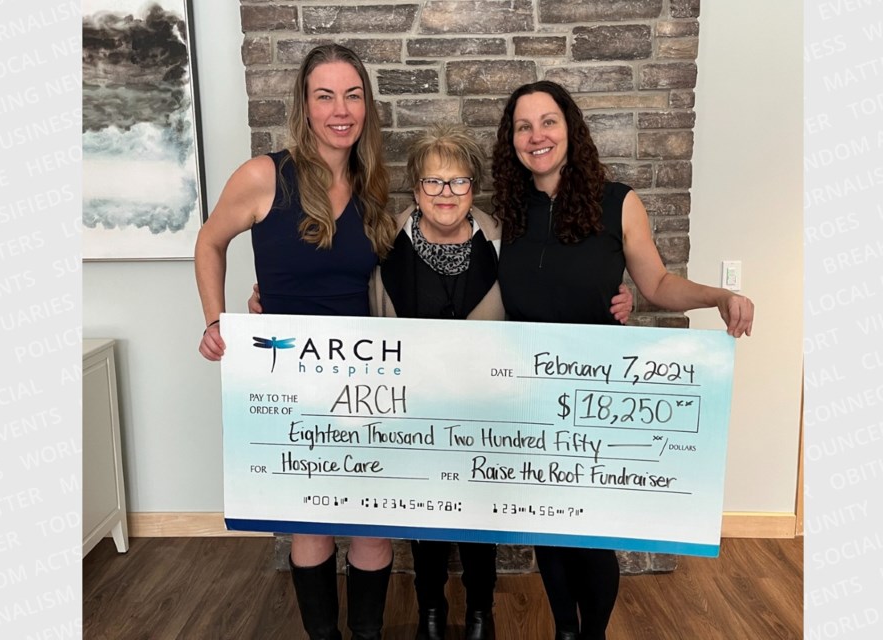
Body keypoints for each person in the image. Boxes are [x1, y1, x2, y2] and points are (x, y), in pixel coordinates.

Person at [248, 122, 635, 640]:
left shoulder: (505, 241)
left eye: (458, 182)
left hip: (486, 410)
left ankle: (481, 612)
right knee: (420, 516)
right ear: (416, 189)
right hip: (411, 411)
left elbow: (553, 287)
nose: (446, 194)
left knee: (478, 516)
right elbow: (336, 292)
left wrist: (617, 295)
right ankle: (430, 611)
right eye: (433, 182)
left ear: (473, 187)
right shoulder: (382, 242)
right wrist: (268, 300)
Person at [490, 80, 754, 640]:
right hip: (529, 395)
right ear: (510, 139)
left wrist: (719, 296)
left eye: (549, 121)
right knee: (549, 528)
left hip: (596, 396)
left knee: (590, 529)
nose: (537, 136)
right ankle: (565, 631)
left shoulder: (618, 202)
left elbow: (655, 283)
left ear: (571, 129)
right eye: (523, 126)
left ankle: (593, 635)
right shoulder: (505, 214)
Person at [194, 44, 397, 640]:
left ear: (366, 106)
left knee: (369, 524)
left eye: (352, 95)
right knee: (310, 524)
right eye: (325, 96)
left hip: (361, 379)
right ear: (304, 107)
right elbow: (209, 242)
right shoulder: (264, 175)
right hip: (288, 377)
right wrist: (218, 320)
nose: (341, 110)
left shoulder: (373, 185)